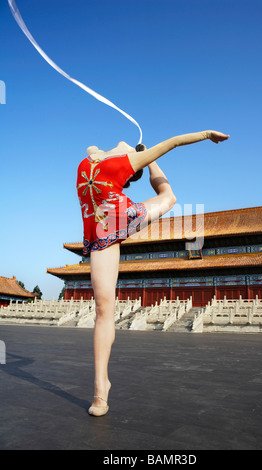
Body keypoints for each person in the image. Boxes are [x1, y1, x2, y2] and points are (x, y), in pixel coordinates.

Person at [76, 129, 229, 416]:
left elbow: (168, 145)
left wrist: (147, 158)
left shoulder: (116, 161)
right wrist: (205, 134)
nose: (125, 143)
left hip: (118, 219)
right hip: (100, 230)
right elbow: (170, 143)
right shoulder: (105, 156)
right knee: (103, 310)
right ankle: (102, 385)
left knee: (169, 198)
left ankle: (99, 391)